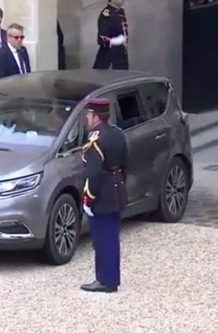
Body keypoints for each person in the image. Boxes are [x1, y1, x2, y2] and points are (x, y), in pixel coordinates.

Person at [79, 98, 127, 293]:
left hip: (102, 196)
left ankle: (105, 281)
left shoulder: (95, 141)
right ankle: (111, 278)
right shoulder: (117, 133)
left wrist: (88, 199)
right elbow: (125, 163)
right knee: (112, 238)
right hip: (117, 191)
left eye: (89, 116)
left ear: (96, 117)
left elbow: (94, 174)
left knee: (102, 239)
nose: (87, 119)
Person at [92, 0, 128, 70]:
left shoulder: (121, 12)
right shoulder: (106, 13)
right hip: (108, 54)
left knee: (122, 77)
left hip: (121, 53)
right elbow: (102, 37)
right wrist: (115, 41)